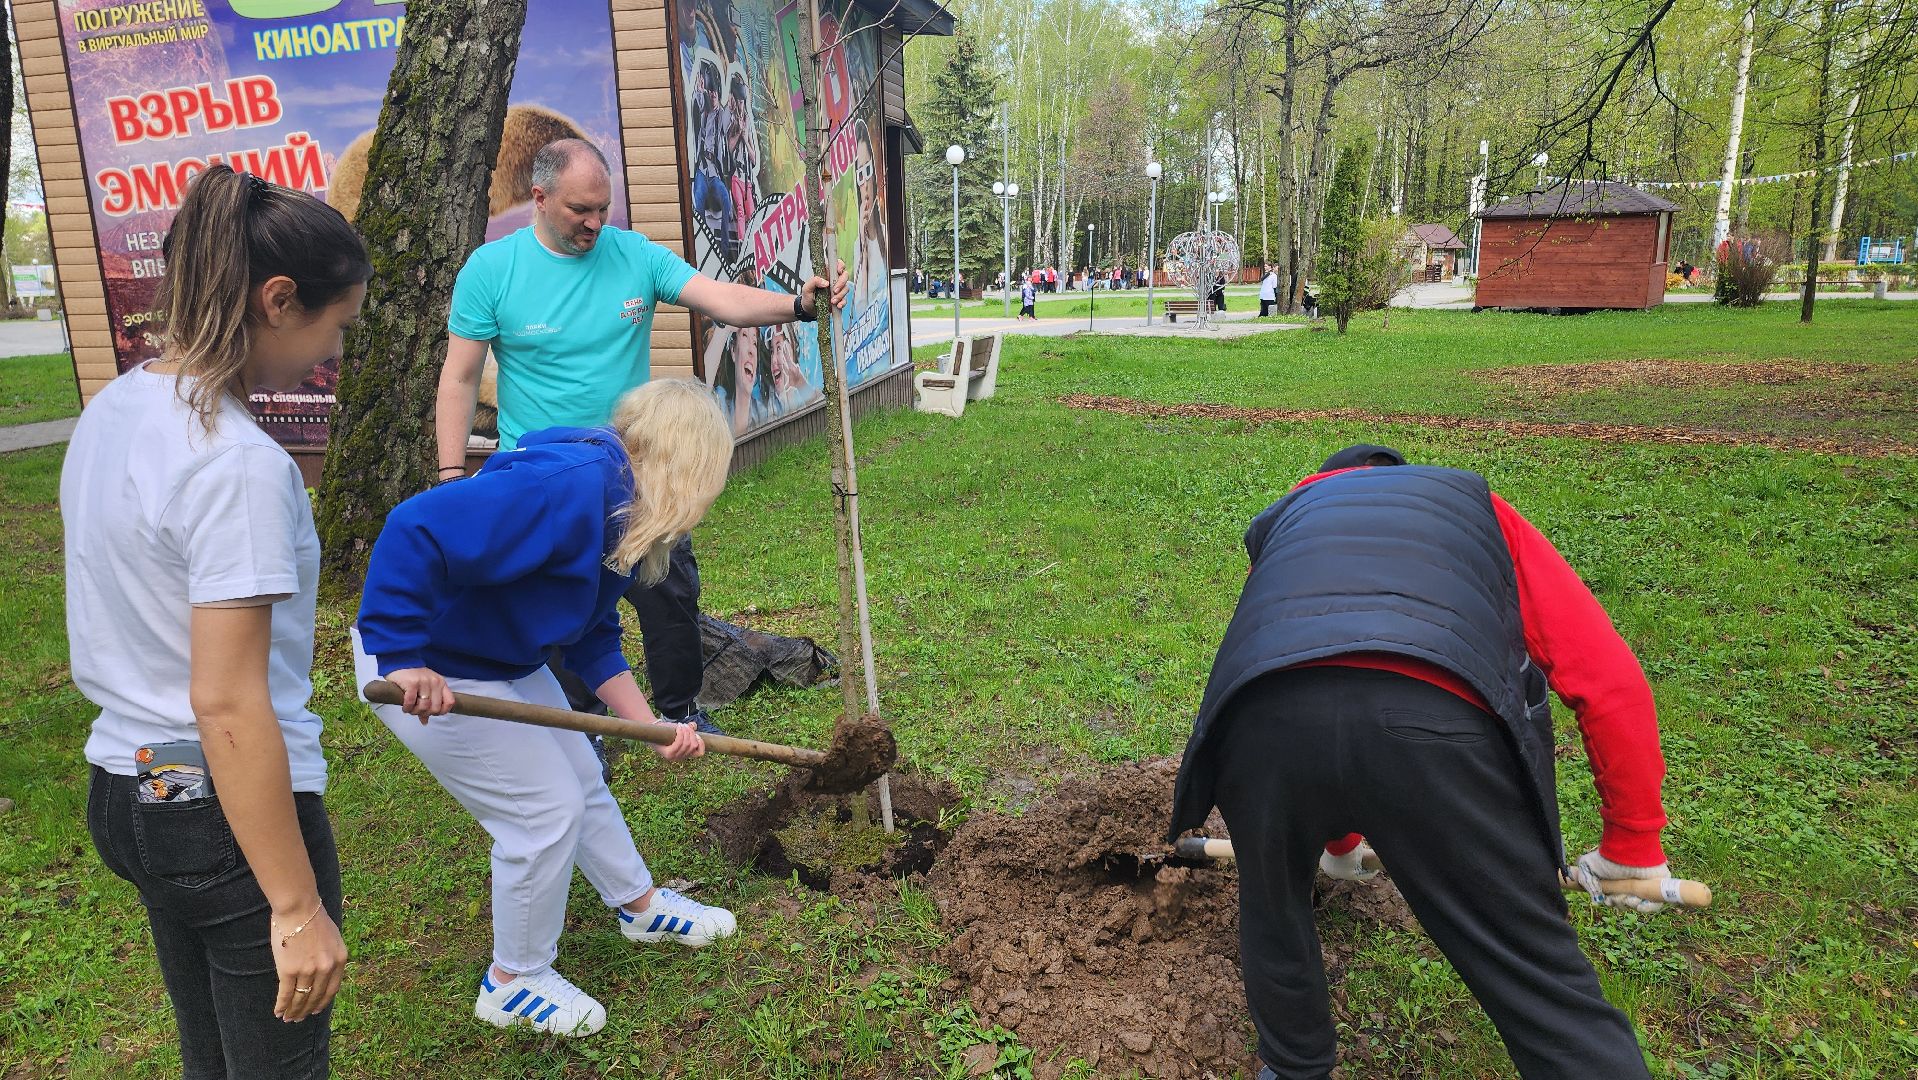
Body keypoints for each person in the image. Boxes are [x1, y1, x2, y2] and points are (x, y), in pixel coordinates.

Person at [1170, 444, 1675, 1080]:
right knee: (1537, 984)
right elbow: (1607, 679)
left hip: (1258, 719)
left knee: (1272, 904)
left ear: (1323, 484)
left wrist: (1334, 837)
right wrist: (1631, 841)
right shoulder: (1474, 509)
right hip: (1433, 719)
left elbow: (1313, 677)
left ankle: (1290, 1068)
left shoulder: (1289, 521)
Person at [62, 165, 370, 1077]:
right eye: (336, 325)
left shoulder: (117, 407)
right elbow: (228, 703)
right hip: (218, 815)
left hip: (128, 789)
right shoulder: (236, 464)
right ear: (280, 299)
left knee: (215, 1058)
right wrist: (294, 905)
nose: (335, 353)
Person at [356, 380, 738, 1039]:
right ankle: (513, 981)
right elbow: (416, 526)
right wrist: (400, 653)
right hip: (426, 662)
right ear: (686, 465)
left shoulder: (624, 509)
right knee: (541, 811)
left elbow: (587, 630)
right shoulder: (568, 487)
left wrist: (644, 725)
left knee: (581, 779)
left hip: (502, 657)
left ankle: (640, 906)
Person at [436, 139, 846, 737]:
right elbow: (461, 376)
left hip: (635, 469)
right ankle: (586, 727)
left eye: (604, 208)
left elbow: (721, 299)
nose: (596, 223)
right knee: (564, 606)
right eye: (581, 210)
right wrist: (451, 476)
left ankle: (679, 710)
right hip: (540, 478)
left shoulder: (634, 256)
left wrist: (796, 306)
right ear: (540, 197)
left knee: (671, 593)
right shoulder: (491, 272)